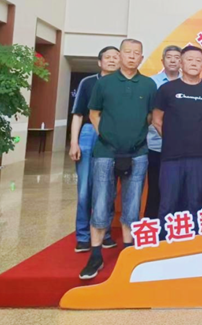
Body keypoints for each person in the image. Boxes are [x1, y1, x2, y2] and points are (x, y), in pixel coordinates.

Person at [80, 39, 157, 280]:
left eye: (137, 53)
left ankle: (128, 253)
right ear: (120, 55)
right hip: (105, 152)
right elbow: (94, 113)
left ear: (141, 58)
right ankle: (95, 255)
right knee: (101, 201)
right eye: (128, 52)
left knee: (132, 204)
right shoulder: (104, 83)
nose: (132, 56)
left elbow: (150, 117)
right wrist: (107, 136)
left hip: (138, 153)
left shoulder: (148, 84)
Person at [152, 45, 202, 230]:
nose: (194, 63)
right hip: (171, 157)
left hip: (200, 157)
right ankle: (166, 242)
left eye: (198, 60)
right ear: (181, 63)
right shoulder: (167, 89)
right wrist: (172, 139)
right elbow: (157, 120)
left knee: (197, 202)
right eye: (189, 59)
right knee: (168, 203)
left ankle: (194, 242)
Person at [69, 46, 119, 253]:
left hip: (114, 134)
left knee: (108, 187)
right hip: (89, 133)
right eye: (108, 57)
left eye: (116, 57)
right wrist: (74, 142)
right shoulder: (88, 82)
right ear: (100, 62)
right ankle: (83, 236)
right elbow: (78, 114)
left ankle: (104, 233)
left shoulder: (123, 84)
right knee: (84, 189)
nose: (112, 60)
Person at [145, 45, 181, 220]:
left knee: (178, 190)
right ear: (163, 60)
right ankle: (152, 228)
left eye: (177, 57)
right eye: (169, 57)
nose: (173, 60)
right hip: (156, 146)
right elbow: (148, 114)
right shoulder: (151, 83)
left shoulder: (189, 82)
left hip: (182, 149)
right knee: (155, 189)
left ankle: (175, 227)